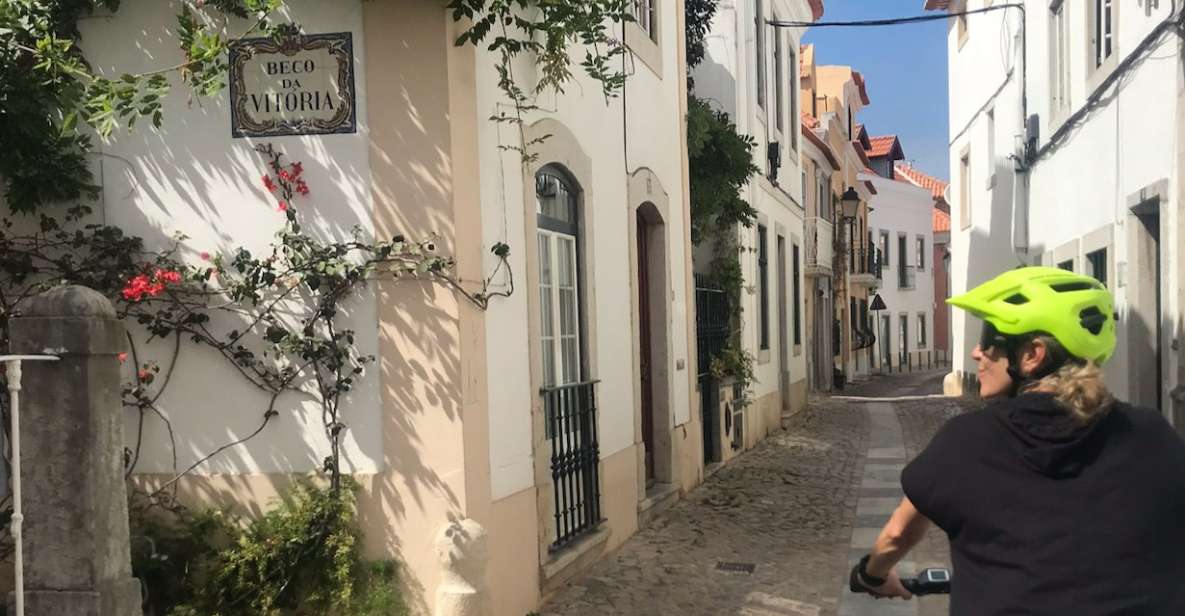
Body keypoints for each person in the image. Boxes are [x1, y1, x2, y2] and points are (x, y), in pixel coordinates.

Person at [849, 266, 1185, 615]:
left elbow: (897, 536)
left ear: (1032, 355)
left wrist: (871, 576)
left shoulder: (967, 441)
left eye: (990, 338)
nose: (977, 352)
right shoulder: (1152, 433)